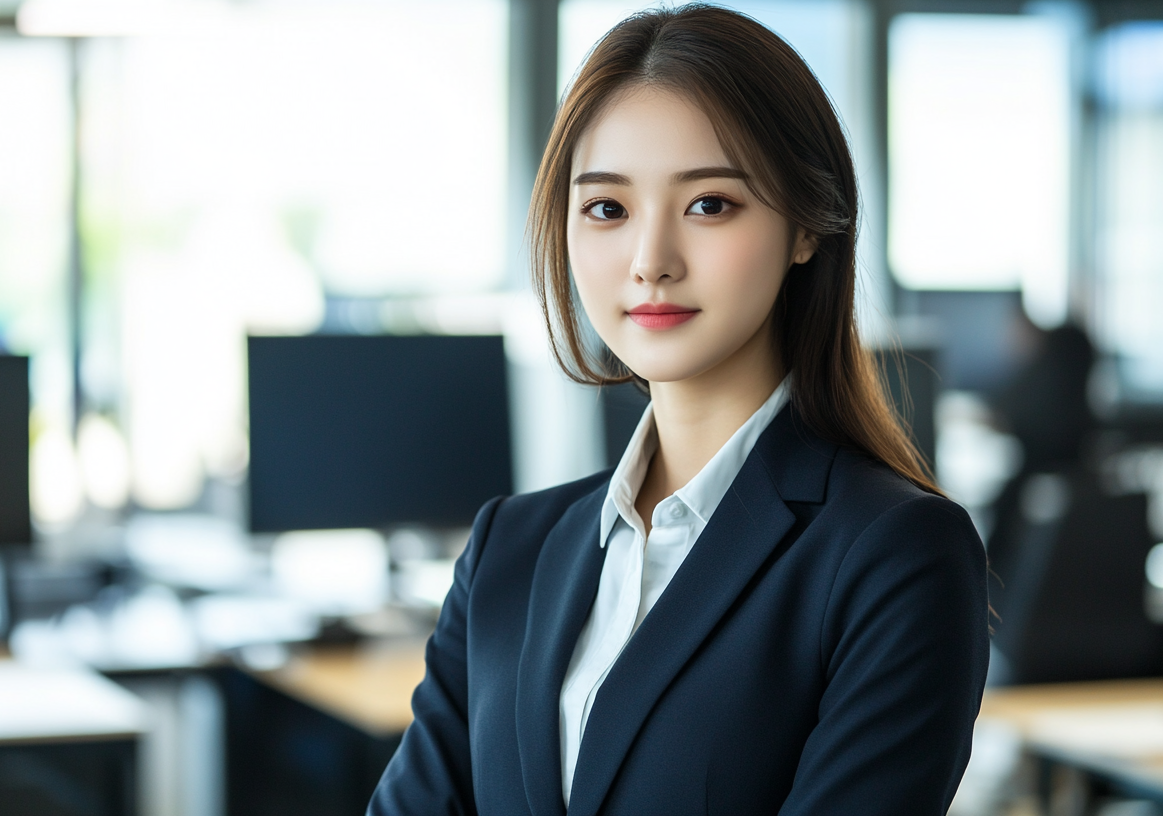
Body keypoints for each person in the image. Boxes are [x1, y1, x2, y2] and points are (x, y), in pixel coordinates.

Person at [369, 6, 988, 815]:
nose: (650, 261)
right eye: (607, 209)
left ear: (805, 225)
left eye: (708, 205)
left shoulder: (894, 556)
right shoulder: (508, 554)